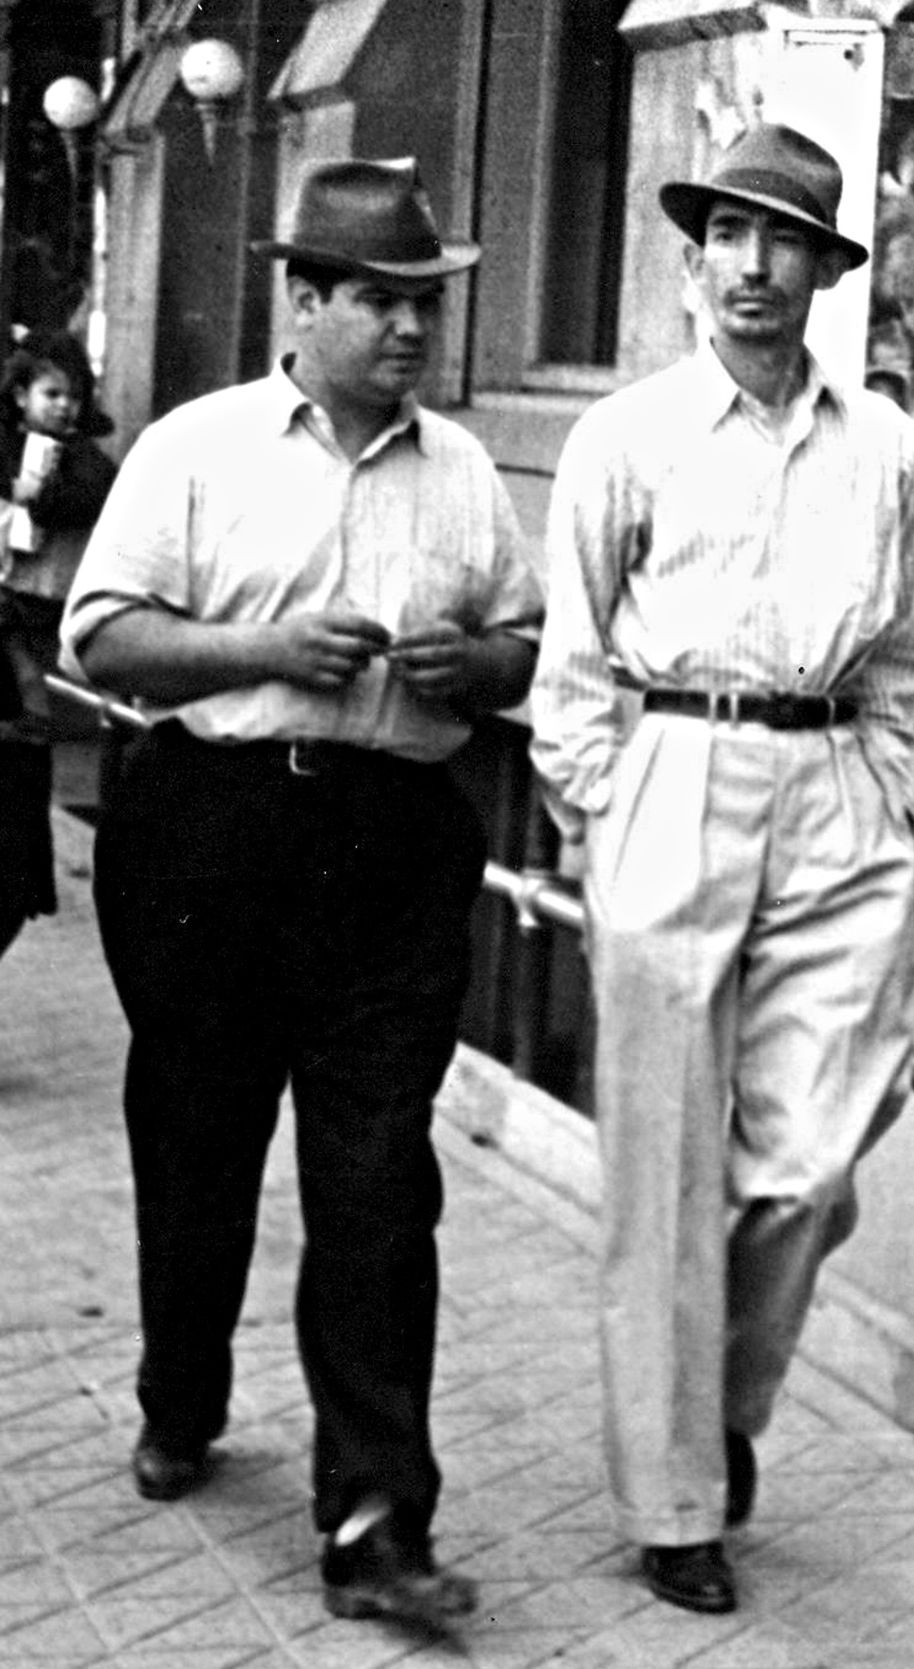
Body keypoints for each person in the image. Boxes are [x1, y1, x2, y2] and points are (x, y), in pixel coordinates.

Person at [60, 157, 542, 1628]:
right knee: (198, 1146)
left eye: (425, 305)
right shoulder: (197, 449)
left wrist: (479, 666)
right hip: (210, 838)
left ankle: (378, 1523)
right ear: (306, 301)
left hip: (392, 849)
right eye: (381, 302)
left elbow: (524, 642)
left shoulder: (462, 473)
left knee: (379, 1180)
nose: (410, 329)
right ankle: (180, 1394)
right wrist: (261, 650)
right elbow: (103, 636)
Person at [529, 123, 914, 1615]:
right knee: (664, 1164)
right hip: (673, 769)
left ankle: (721, 1408)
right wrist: (600, 808)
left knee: (814, 1150)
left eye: (787, 243)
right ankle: (674, 1495)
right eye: (729, 239)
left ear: (826, 270)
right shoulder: (626, 436)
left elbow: (900, 649)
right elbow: (574, 655)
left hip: (835, 786)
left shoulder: (882, 442)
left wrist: (887, 785)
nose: (754, 268)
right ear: (695, 261)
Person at [0, 330, 116, 964]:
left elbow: (84, 498)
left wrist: (40, 494)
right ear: (20, 395)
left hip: (41, 616)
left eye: (75, 396)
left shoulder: (87, 463)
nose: (65, 407)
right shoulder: (6, 449)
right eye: (52, 393)